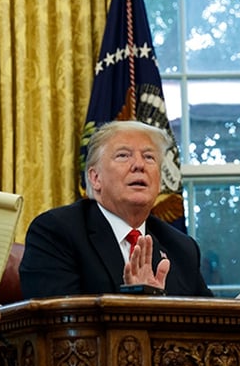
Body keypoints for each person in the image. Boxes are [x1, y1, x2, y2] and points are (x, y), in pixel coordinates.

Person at [20, 121, 213, 298]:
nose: (139, 165)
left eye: (149, 157)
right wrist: (136, 305)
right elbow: (60, 321)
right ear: (95, 178)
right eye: (123, 155)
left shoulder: (181, 248)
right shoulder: (57, 232)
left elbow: (210, 325)